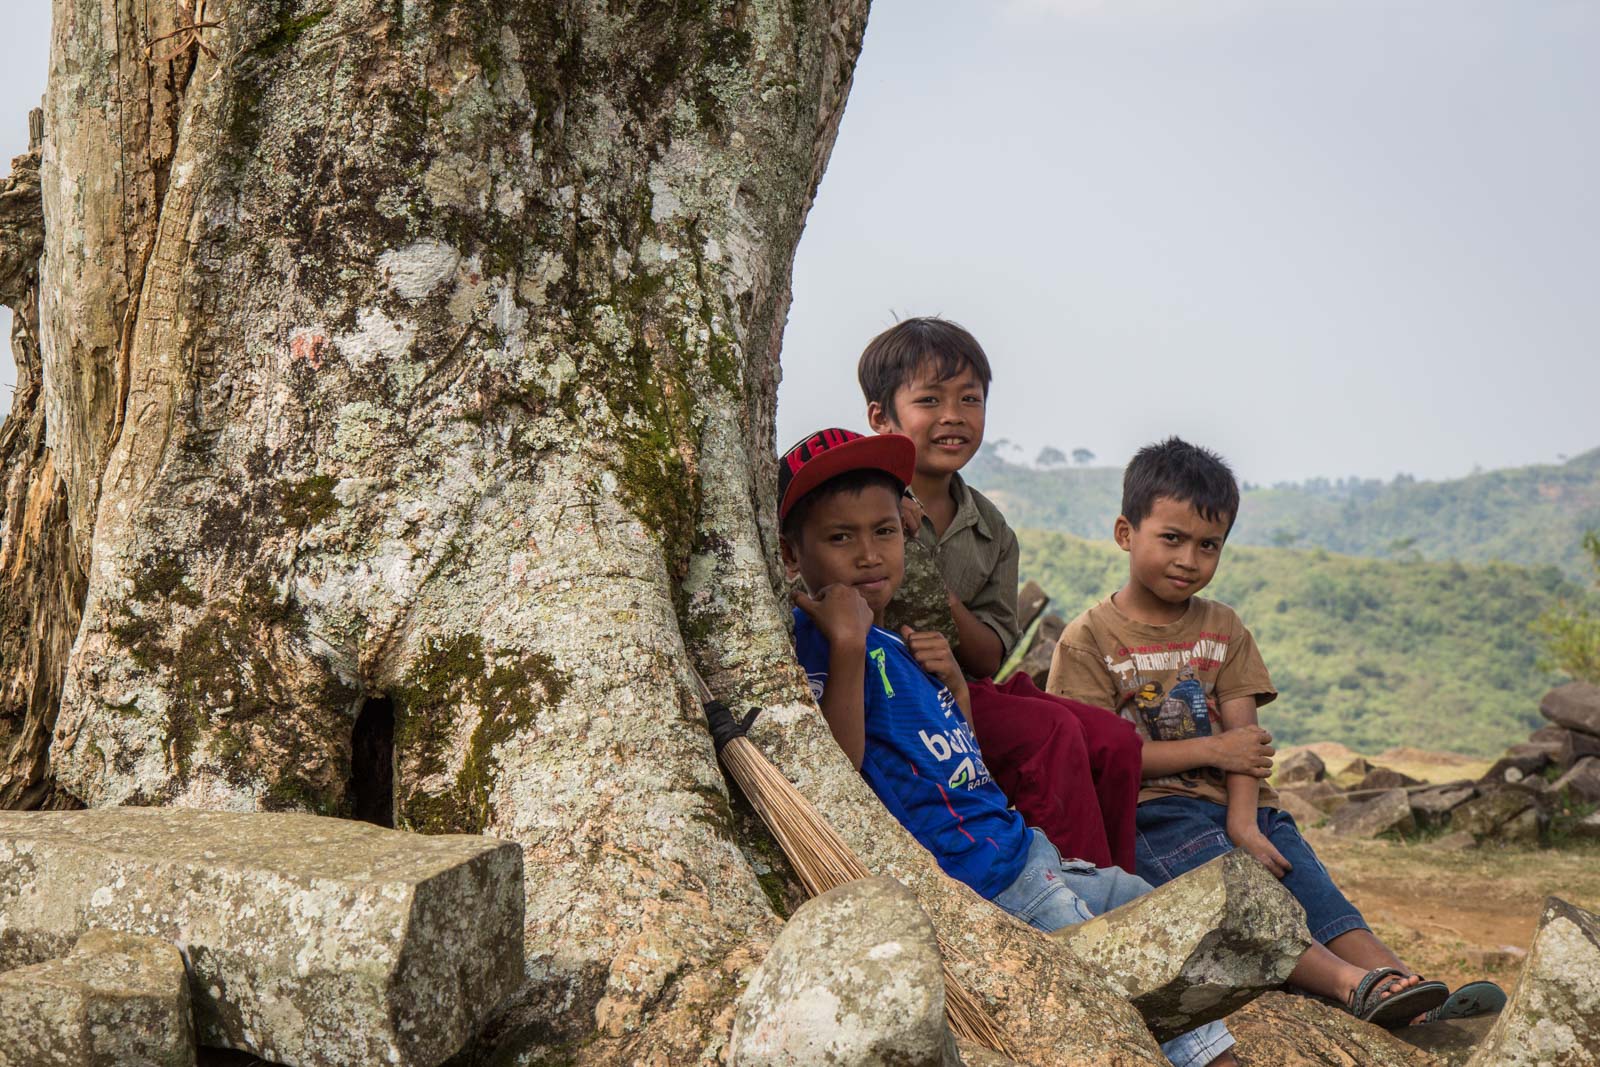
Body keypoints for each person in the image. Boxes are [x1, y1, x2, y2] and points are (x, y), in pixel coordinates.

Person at [778, 425, 1238, 1067]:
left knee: (1151, 910)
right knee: (1119, 973)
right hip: (986, 880)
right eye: (839, 537)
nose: (868, 554)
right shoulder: (819, 642)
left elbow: (958, 753)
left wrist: (953, 689)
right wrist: (849, 645)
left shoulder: (894, 643)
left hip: (1028, 853)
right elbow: (837, 768)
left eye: (884, 531)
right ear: (790, 555)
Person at [1047, 437, 1502, 1026]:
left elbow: (1249, 745)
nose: (1190, 558)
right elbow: (1106, 759)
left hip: (1243, 804)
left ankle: (1413, 995)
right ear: (1125, 533)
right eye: (1172, 539)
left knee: (1311, 887)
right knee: (1242, 898)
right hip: (1154, 815)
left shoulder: (1223, 627)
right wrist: (1212, 749)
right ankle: (1349, 986)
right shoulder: (1088, 640)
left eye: (1208, 545)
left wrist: (1243, 820)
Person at [858, 317, 1143, 871]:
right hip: (892, 693)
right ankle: (1070, 893)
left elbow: (988, 655)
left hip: (963, 684)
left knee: (1116, 743)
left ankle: (1119, 883)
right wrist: (891, 521)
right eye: (930, 400)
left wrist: (931, 584)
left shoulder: (992, 529)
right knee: (1051, 733)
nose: (953, 416)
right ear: (880, 416)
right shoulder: (860, 498)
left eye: (970, 399)